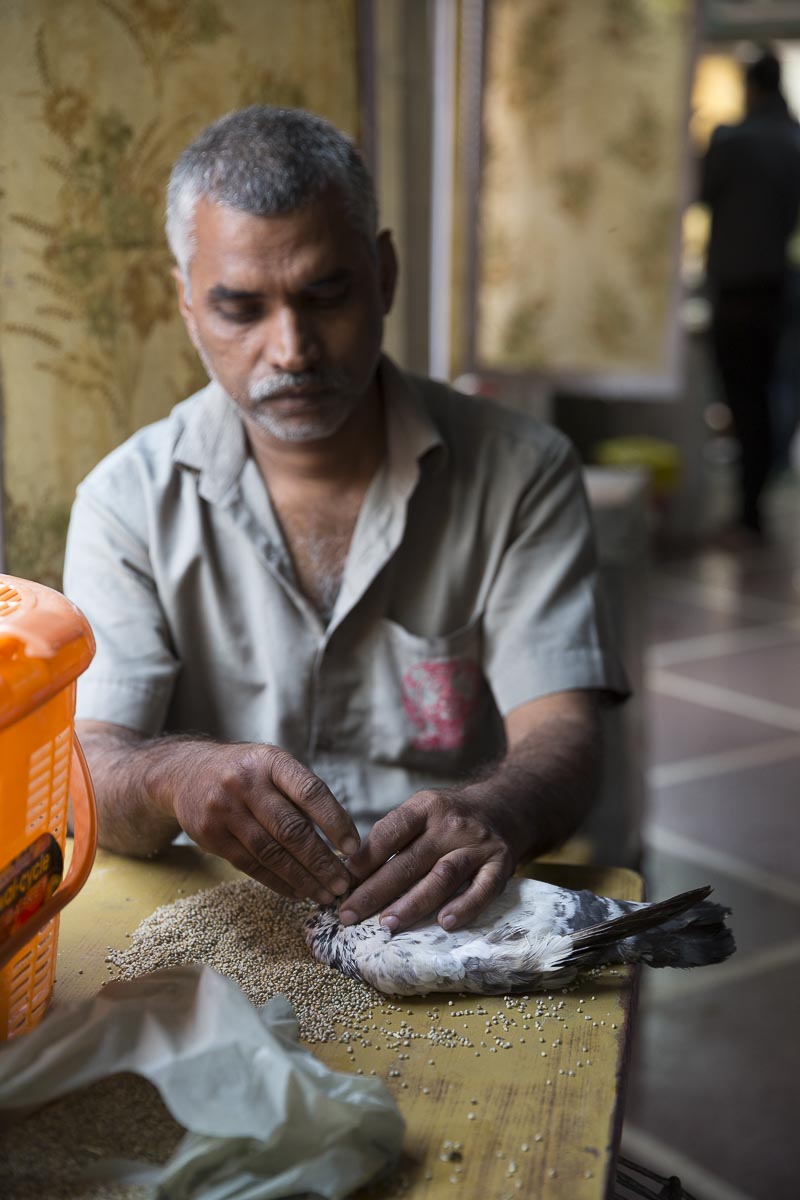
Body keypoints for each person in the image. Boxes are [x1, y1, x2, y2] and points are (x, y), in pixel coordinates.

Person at [63, 106, 628, 937]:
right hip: (221, 930)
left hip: (454, 916)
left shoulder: (521, 470)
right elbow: (90, 764)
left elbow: (567, 736)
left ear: (384, 274)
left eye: (325, 295)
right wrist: (172, 776)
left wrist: (494, 809)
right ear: (187, 308)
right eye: (240, 310)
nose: (291, 348)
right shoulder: (127, 501)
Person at [701, 51, 800, 541]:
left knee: (744, 399)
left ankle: (748, 510)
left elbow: (699, 191)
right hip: (778, 288)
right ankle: (756, 499)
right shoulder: (792, 141)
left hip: (738, 290)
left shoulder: (732, 142)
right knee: (769, 393)